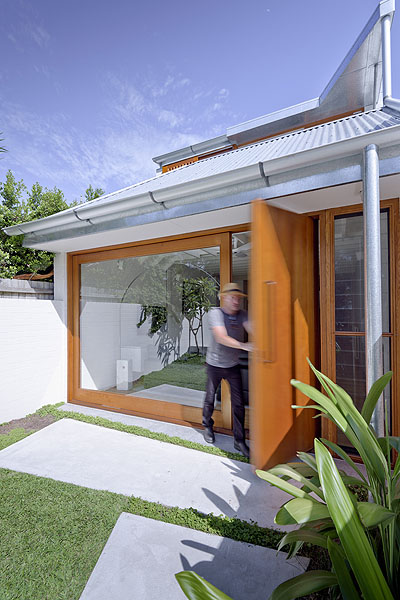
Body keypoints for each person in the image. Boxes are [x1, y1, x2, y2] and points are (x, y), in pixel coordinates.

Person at [202, 282, 252, 458]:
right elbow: (221, 337)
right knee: (210, 399)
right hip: (214, 364)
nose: (236, 301)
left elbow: (255, 329)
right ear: (224, 298)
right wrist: (244, 346)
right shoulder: (215, 313)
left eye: (238, 298)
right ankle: (207, 425)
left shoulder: (243, 315)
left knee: (238, 404)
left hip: (233, 365)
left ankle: (239, 441)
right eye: (233, 297)